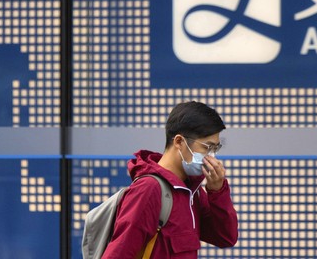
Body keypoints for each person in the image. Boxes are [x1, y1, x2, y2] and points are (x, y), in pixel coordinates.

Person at [102, 101, 238, 258]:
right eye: (207, 147)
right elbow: (119, 253)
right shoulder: (149, 189)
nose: (212, 156)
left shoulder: (193, 192)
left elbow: (226, 237)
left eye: (215, 149)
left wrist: (217, 190)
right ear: (179, 142)